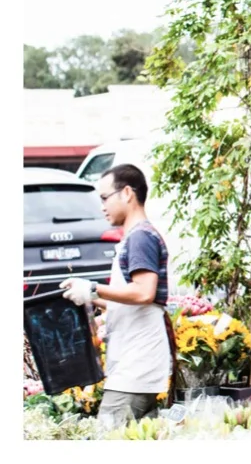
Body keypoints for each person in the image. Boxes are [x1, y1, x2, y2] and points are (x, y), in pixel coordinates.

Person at [62, 164, 172, 428]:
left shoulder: (140, 237)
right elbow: (130, 299)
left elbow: (144, 292)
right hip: (135, 361)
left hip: (135, 366)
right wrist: (89, 298)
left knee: (108, 435)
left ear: (126, 193)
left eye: (104, 198)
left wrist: (93, 288)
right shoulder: (136, 236)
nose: (101, 207)